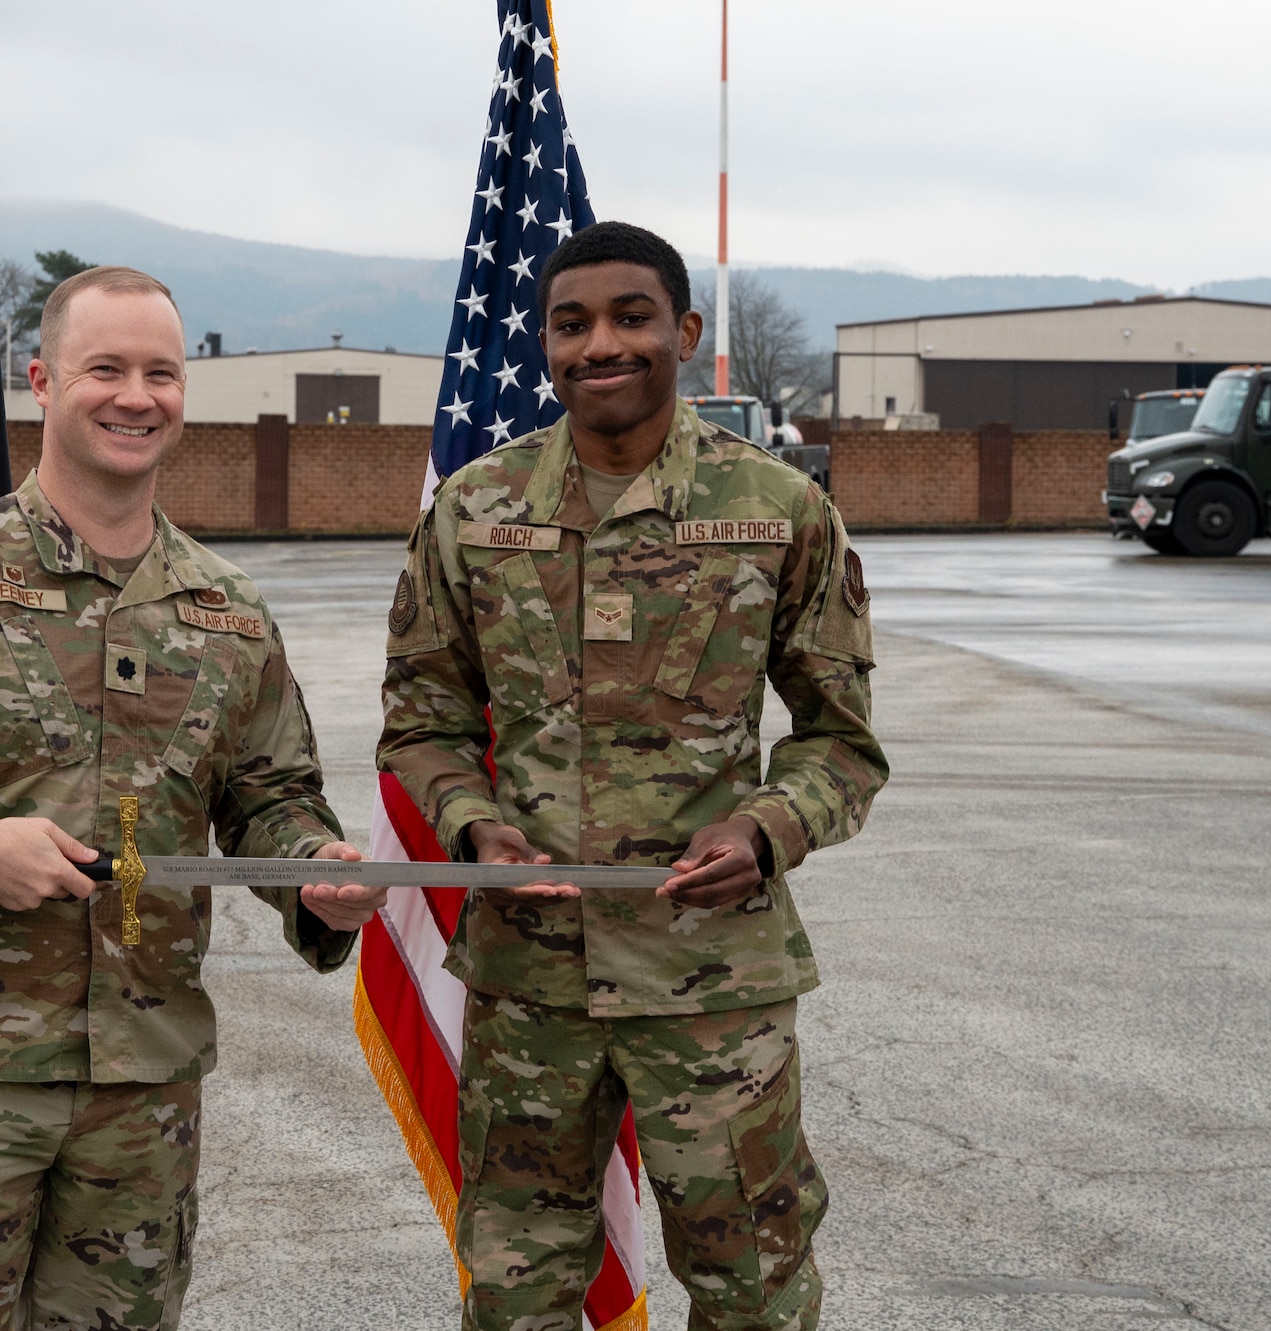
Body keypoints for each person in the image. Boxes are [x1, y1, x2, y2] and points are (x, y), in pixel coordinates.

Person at [0, 265, 387, 1331]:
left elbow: (269, 793)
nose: (134, 395)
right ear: (44, 381)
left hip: (141, 1095)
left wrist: (312, 873)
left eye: (160, 372)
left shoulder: (224, 612)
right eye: (105, 367)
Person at [378, 221, 888, 1331]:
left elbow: (840, 742)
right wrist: (471, 829)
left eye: (628, 316)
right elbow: (418, 721)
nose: (597, 343)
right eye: (570, 324)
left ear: (683, 332)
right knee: (517, 1291)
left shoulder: (776, 509)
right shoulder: (474, 511)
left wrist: (764, 827)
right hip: (529, 987)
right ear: (545, 344)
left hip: (711, 990)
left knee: (751, 1288)